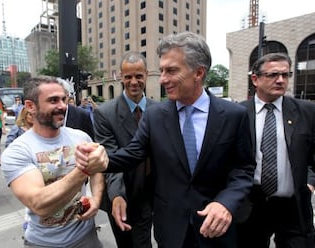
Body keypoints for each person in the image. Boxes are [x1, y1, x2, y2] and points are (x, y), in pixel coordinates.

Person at [76, 31, 257, 248]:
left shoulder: (233, 115)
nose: (162, 79)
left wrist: (226, 204)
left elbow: (243, 169)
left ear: (198, 72)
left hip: (216, 228)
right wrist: (101, 159)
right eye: (161, 71)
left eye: (171, 71)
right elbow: (132, 153)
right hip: (171, 229)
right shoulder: (155, 116)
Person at [236, 52, 315, 248]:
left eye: (286, 75)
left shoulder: (308, 111)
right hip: (251, 205)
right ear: (255, 79)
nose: (281, 80)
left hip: (293, 206)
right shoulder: (237, 114)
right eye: (273, 75)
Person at [0, 76, 108, 247]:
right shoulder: (17, 151)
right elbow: (40, 204)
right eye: (53, 100)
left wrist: (95, 198)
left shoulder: (80, 137)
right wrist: (84, 170)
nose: (63, 106)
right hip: (44, 243)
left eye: (64, 99)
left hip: (87, 237)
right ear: (30, 106)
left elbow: (97, 172)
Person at [94, 51, 157, 248]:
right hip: (122, 194)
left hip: (153, 194)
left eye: (139, 76)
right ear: (121, 76)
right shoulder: (104, 113)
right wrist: (117, 195)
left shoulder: (160, 111)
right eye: (128, 76)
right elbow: (111, 158)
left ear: (146, 75)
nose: (134, 82)